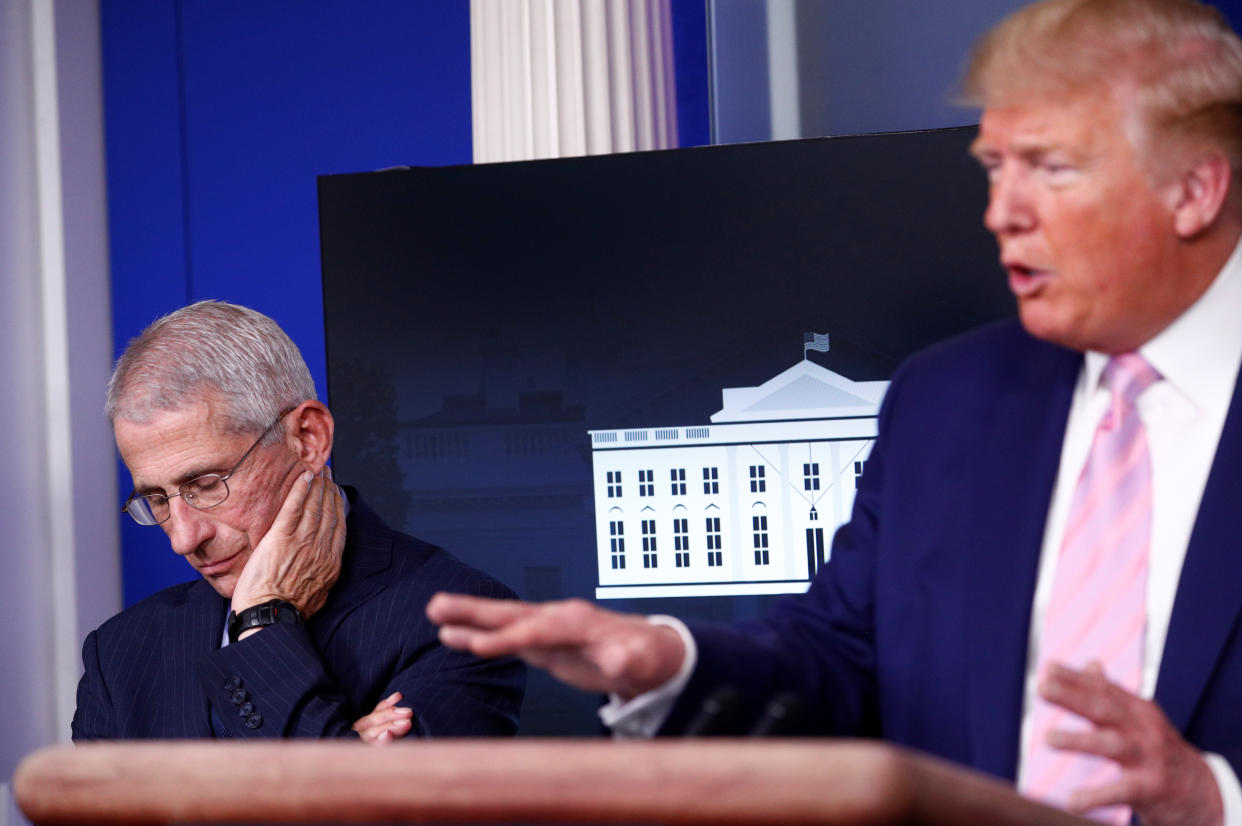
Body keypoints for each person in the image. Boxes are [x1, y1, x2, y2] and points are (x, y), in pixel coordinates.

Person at [426, 0, 1242, 823]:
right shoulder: (946, 400)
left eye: (1052, 168)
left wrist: (1216, 800)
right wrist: (666, 661)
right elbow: (838, 665)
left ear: (1194, 190)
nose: (1002, 211)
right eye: (996, 166)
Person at [73, 300, 524, 741]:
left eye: (207, 484)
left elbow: (386, 815)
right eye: (156, 498)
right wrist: (343, 763)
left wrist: (261, 622)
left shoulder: (465, 623)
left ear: (308, 439)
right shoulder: (119, 655)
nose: (184, 539)